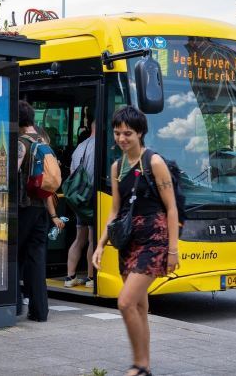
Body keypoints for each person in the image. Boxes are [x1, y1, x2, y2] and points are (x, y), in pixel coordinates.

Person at [92, 106, 179, 376]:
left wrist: (173, 250)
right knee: (139, 305)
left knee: (125, 302)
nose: (121, 138)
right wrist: (100, 244)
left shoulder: (154, 162)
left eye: (127, 133)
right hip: (129, 241)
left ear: (140, 132)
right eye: (117, 133)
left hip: (154, 240)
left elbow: (172, 207)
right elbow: (115, 211)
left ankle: (139, 365)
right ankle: (145, 365)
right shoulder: (117, 167)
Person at [17, 100, 64, 322]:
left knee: (13, 256)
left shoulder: (21, 144)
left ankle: (14, 305)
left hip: (23, 208)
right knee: (36, 258)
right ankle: (39, 311)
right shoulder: (44, 142)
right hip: (41, 209)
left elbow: (12, 174)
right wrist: (52, 214)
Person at [64, 119, 96, 288]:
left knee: (79, 239)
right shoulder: (101, 146)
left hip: (78, 199)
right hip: (92, 198)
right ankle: (91, 278)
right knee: (92, 239)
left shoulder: (79, 148)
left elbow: (72, 173)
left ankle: (70, 277)